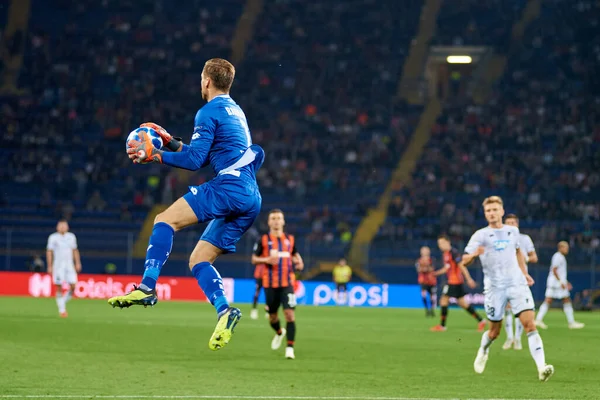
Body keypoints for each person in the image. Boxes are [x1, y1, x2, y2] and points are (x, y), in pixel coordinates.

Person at [108, 58, 265, 352]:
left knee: (164, 220)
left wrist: (155, 155)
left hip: (228, 187)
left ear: (206, 81)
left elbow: (194, 163)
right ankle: (225, 311)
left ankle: (146, 287)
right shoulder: (235, 111)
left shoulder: (207, 111)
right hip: (250, 195)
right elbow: (205, 155)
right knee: (199, 260)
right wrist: (170, 142)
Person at [464, 196, 553, 382]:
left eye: (495, 209)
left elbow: (518, 252)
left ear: (502, 211)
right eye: (488, 211)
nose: (492, 213)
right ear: (485, 214)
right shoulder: (479, 235)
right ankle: (483, 350)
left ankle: (541, 367)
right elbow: (464, 260)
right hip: (495, 289)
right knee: (494, 331)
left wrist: (524, 273)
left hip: (517, 284)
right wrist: (474, 254)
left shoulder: (513, 231)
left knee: (530, 324)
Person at [251, 209, 304, 359]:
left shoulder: (290, 239)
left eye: (278, 218)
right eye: (273, 218)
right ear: (269, 222)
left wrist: (299, 261)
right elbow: (254, 259)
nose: (276, 221)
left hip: (287, 284)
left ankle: (290, 348)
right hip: (269, 284)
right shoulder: (263, 240)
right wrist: (266, 260)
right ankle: (279, 332)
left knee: (289, 314)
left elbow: (294, 254)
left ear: (283, 221)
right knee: (272, 317)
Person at [430, 235, 486, 332]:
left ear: (448, 242)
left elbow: (461, 265)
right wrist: (436, 273)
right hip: (454, 281)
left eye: (442, 243)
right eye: (439, 244)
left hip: (454, 281)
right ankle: (481, 320)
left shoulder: (453, 253)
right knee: (463, 304)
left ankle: (442, 326)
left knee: (443, 300)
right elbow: (447, 268)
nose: (440, 246)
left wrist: (469, 279)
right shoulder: (445, 254)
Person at [502, 214, 538, 350]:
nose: (511, 225)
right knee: (507, 309)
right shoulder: (500, 239)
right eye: (508, 223)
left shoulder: (524, 239)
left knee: (521, 309)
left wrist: (524, 259)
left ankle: (517, 339)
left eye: (513, 222)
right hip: (504, 277)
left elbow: (534, 257)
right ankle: (509, 337)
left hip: (520, 277)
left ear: (517, 225)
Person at [535, 241, 585, 330]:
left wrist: (565, 282)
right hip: (556, 283)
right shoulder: (558, 257)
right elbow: (554, 270)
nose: (567, 250)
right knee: (566, 300)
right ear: (560, 248)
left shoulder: (559, 256)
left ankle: (538, 320)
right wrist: (561, 282)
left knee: (549, 300)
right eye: (565, 248)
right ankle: (571, 322)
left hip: (554, 283)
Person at [46, 219, 81, 318]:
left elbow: (75, 250)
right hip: (58, 266)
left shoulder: (71, 237)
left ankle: (62, 303)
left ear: (67, 227)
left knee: (73, 286)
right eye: (60, 225)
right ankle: (62, 310)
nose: (62, 227)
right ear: (57, 227)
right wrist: (49, 266)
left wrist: (77, 263)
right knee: (59, 287)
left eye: (64, 225)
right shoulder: (53, 237)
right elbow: (49, 252)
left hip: (69, 265)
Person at [415, 246, 437, 317]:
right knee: (423, 295)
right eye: (423, 251)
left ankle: (432, 310)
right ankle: (427, 310)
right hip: (423, 281)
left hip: (431, 281)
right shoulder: (418, 261)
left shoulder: (432, 260)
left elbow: (432, 269)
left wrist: (425, 268)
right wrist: (425, 269)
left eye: (426, 250)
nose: (424, 252)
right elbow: (418, 270)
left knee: (432, 296)